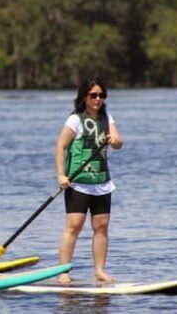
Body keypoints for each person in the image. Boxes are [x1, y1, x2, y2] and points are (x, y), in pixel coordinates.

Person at [55, 78, 123, 284]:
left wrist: (115, 140)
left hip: (101, 181)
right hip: (77, 181)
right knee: (74, 226)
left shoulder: (107, 118)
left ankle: (99, 271)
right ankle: (64, 272)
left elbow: (118, 143)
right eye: (93, 95)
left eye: (101, 95)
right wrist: (61, 175)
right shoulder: (75, 119)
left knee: (101, 226)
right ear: (84, 97)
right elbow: (60, 146)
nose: (98, 99)